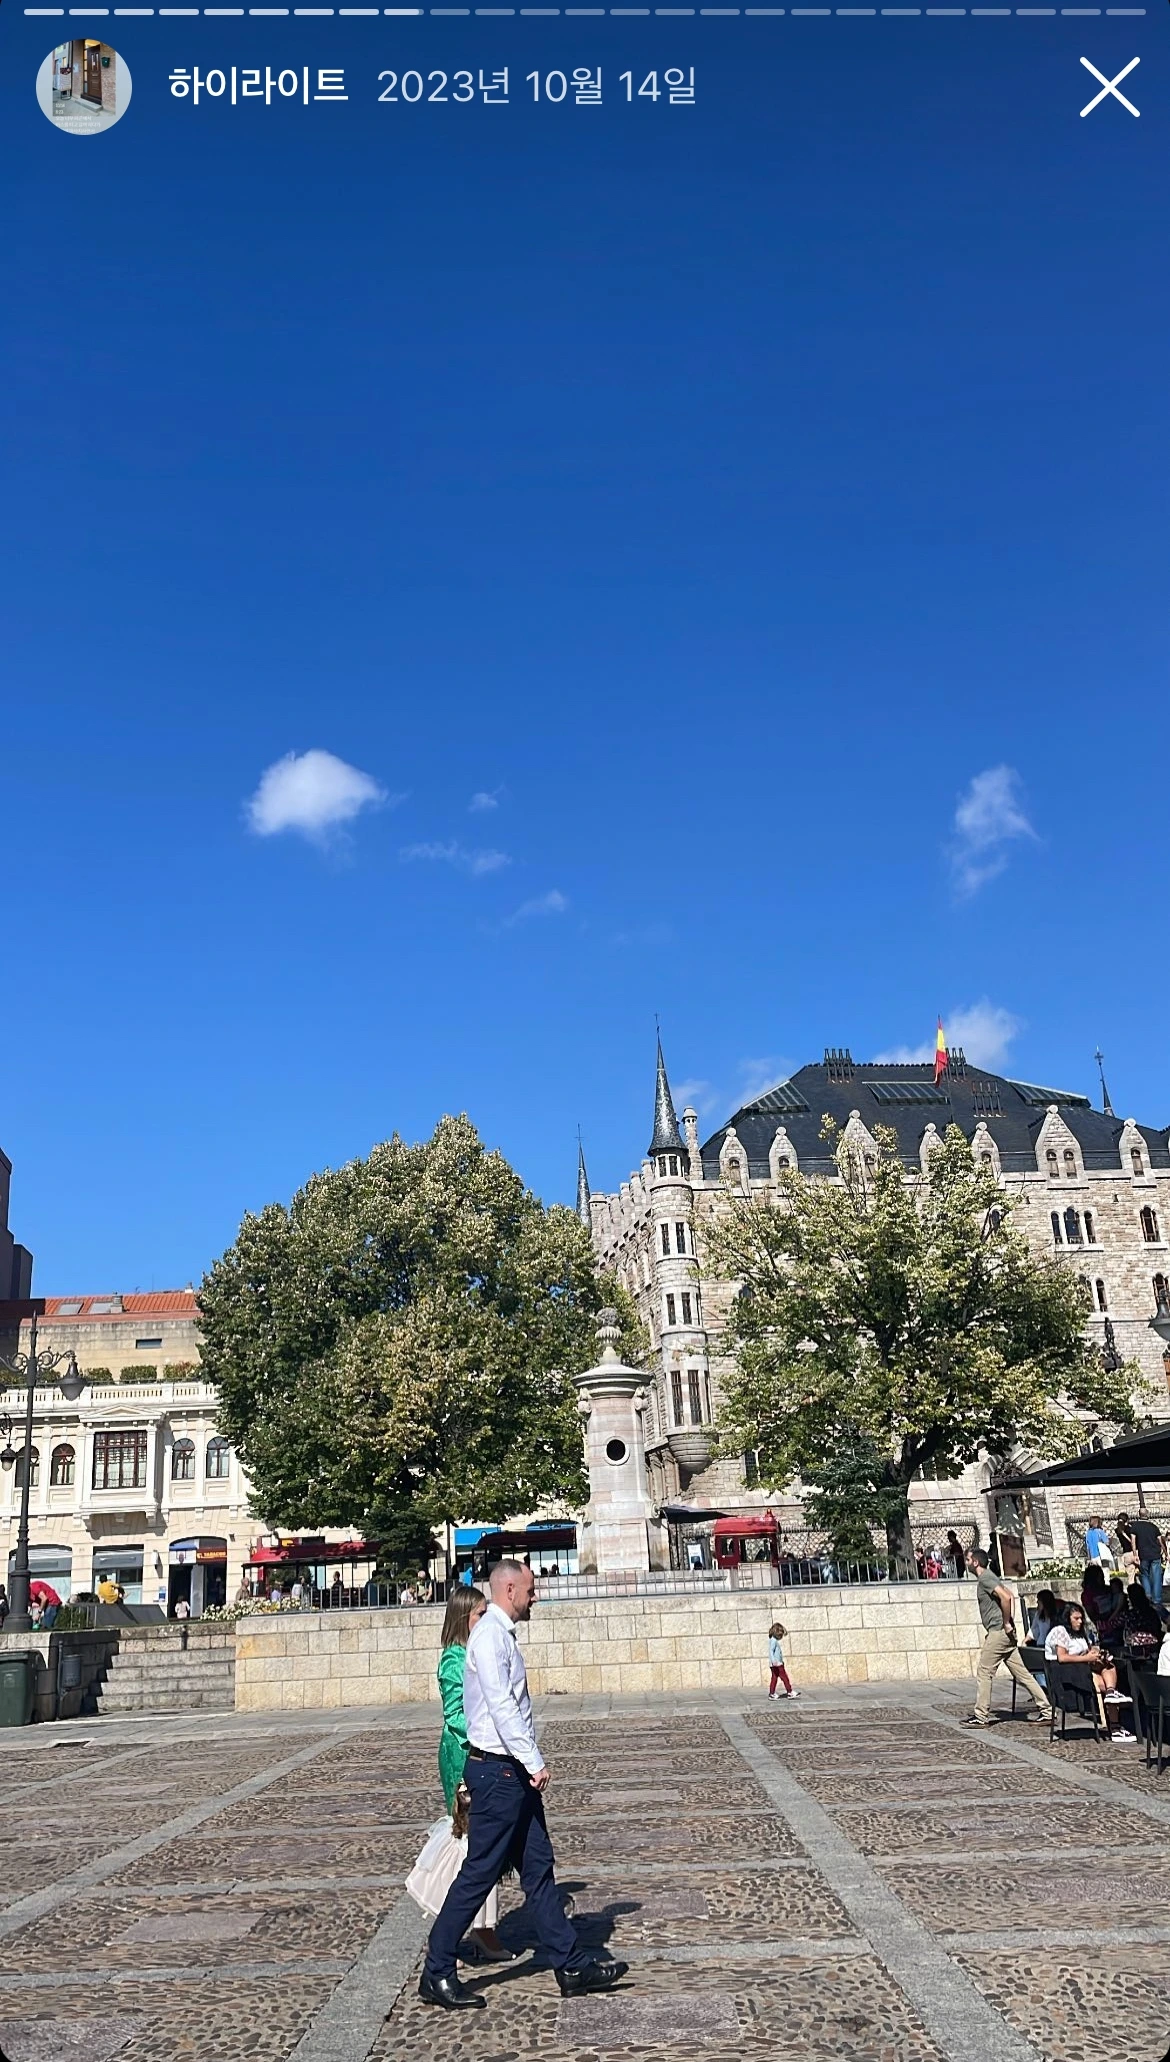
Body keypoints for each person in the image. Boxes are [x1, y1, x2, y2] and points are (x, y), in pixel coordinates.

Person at [419, 1558, 628, 2011]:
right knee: (479, 1872)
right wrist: (533, 1761)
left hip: (509, 1772)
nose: (536, 1597)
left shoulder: (501, 1636)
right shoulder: (490, 1637)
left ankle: (571, 1965)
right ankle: (436, 1970)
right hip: (499, 1772)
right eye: (531, 1590)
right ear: (509, 1589)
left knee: (538, 1869)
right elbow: (501, 1706)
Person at [436, 1584, 512, 1961]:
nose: (486, 1619)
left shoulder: (474, 1650)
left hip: (480, 1754)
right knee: (472, 1841)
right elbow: (455, 1714)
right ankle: (473, 1927)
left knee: (482, 1842)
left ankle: (482, 1926)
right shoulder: (454, 1659)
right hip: (465, 1755)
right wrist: (492, 1735)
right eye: (480, 1614)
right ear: (464, 1617)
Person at [963, 1547, 1052, 1727]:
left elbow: (1006, 1597)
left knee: (984, 1672)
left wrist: (1005, 1623)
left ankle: (980, 1716)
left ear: (975, 1562)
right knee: (1023, 1674)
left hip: (998, 1632)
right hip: (1004, 1634)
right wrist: (1009, 1623)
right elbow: (1010, 1595)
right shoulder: (990, 1577)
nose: (966, 1563)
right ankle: (1047, 1711)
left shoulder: (985, 1578)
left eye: (967, 1560)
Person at [1045, 1602, 1135, 1742]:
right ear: (1067, 1618)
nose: (1080, 1622)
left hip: (1083, 1666)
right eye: (1076, 1618)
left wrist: (1095, 1653)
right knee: (1102, 1684)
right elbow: (1062, 1657)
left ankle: (1111, 1694)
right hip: (1066, 1671)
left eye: (1081, 1618)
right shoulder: (1060, 1631)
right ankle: (1115, 1726)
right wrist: (1087, 1658)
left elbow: (1086, 1649)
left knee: (1108, 1666)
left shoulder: (1080, 1634)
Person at [1129, 1507, 1166, 1611]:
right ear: (1148, 1514)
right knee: (1156, 1577)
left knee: (1144, 1575)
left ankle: (1148, 1596)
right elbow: (1160, 1540)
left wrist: (1135, 1554)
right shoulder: (1153, 1527)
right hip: (1155, 1554)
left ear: (1139, 1515)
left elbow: (1133, 1541)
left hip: (1143, 1554)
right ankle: (1157, 1600)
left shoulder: (1135, 1526)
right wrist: (1166, 1553)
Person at [767, 1621, 797, 1699]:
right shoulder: (774, 1641)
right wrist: (774, 1661)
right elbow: (771, 1651)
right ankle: (790, 1691)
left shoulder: (772, 1640)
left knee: (774, 1678)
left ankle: (772, 1693)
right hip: (777, 1664)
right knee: (784, 1678)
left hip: (775, 1663)